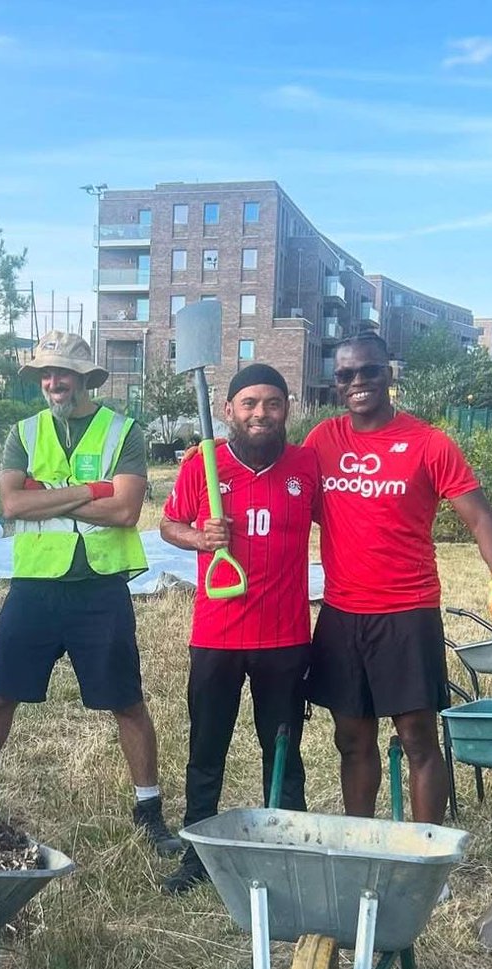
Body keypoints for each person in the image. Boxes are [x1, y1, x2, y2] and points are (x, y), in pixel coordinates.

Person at [0, 331, 180, 854]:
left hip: (100, 588)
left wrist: (49, 497)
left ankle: (148, 811)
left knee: (127, 701)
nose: (52, 382)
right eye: (45, 374)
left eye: (61, 373)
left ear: (84, 377)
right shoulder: (24, 432)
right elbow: (12, 505)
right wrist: (91, 491)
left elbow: (126, 510)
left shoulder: (124, 431)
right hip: (35, 585)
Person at [304, 330, 492, 825]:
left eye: (369, 370)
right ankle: (361, 840)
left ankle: (425, 851)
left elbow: (481, 517)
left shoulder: (428, 442)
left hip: (407, 613)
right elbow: (284, 482)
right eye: (346, 374)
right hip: (342, 614)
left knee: (417, 737)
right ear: (336, 382)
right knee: (352, 739)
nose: (358, 382)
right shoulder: (323, 440)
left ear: (390, 372)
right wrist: (216, 461)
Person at [159, 364, 319, 893]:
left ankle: (287, 848)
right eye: (248, 403)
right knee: (207, 747)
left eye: (272, 403)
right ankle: (199, 852)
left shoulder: (306, 466)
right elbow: (168, 523)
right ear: (227, 410)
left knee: (283, 749)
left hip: (285, 638)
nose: (260, 413)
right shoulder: (202, 466)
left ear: (286, 410)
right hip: (217, 635)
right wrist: (199, 540)